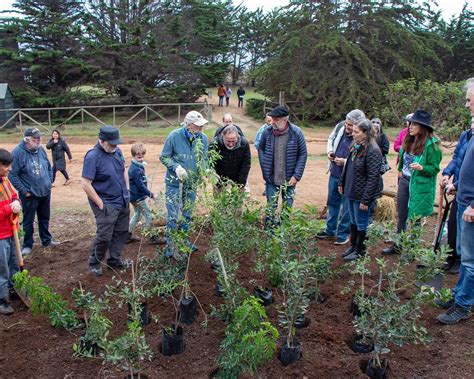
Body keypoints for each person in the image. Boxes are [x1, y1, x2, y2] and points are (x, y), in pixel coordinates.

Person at [436, 79, 474, 324]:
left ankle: (463, 305)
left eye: (470, 100)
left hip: (471, 206)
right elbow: (465, 166)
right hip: (463, 201)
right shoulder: (470, 135)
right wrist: (456, 183)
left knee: (471, 261)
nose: (467, 105)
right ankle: (458, 294)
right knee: (465, 256)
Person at [382, 110, 442, 255]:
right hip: (405, 181)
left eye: (414, 124)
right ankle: (398, 245)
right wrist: (401, 169)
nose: (410, 126)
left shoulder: (431, 146)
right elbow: (403, 159)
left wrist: (422, 168)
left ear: (422, 127)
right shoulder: (408, 139)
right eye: (410, 123)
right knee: (401, 215)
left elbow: (434, 169)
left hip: (419, 185)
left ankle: (412, 250)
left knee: (415, 217)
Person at [82, 125, 130, 277]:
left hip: (122, 199)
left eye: (117, 143)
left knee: (122, 231)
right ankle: (94, 262)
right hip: (106, 201)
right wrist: (100, 203)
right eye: (112, 144)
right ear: (102, 141)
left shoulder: (117, 151)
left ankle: (114, 260)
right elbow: (85, 183)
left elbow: (123, 171)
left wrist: (127, 191)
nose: (115, 146)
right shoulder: (92, 156)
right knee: (104, 235)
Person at [160, 110, 209, 258]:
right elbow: (164, 157)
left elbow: (204, 158)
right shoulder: (174, 136)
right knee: (174, 215)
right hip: (174, 183)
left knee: (187, 214)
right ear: (188, 125)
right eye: (197, 126)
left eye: (202, 126)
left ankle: (184, 241)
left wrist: (206, 168)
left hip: (191, 183)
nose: (201, 129)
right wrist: (176, 167)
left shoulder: (203, 138)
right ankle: (171, 246)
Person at [317, 109, 366, 245]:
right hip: (335, 172)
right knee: (332, 201)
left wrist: (345, 161)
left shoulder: (362, 135)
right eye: (347, 123)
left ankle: (343, 234)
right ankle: (330, 229)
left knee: (347, 206)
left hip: (350, 176)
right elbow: (331, 138)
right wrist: (330, 151)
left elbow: (363, 159)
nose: (347, 127)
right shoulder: (340, 127)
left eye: (350, 125)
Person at [9, 127, 58, 256]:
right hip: (29, 195)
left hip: (45, 191)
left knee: (44, 217)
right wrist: (24, 191)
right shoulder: (17, 153)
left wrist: (49, 181)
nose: (39, 140)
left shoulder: (41, 149)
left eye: (39, 138)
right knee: (28, 220)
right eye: (35, 139)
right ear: (27, 140)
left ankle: (46, 240)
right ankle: (27, 244)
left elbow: (48, 166)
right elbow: (12, 175)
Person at [338, 119, 383, 261]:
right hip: (351, 190)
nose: (353, 134)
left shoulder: (373, 151)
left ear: (366, 133)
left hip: (362, 194)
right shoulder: (356, 146)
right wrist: (342, 182)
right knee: (353, 220)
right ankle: (352, 246)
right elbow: (348, 167)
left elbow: (373, 177)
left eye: (357, 132)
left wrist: (366, 199)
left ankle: (360, 251)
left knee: (361, 222)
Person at [258, 105, 307, 228]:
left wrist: (297, 175)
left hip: (290, 178)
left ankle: (283, 230)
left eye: (276, 119)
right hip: (271, 177)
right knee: (271, 206)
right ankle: (269, 230)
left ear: (285, 119)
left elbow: (303, 154)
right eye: (272, 119)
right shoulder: (267, 132)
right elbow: (261, 149)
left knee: (287, 205)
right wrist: (265, 168)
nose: (273, 122)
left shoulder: (296, 132)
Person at [440, 108, 474, 274]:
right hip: (459, 189)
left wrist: (457, 184)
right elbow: (455, 159)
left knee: (463, 230)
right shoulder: (464, 136)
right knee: (452, 225)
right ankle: (451, 257)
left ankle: (460, 260)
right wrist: (447, 174)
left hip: (466, 190)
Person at [128, 143, 164, 245]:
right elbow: (140, 186)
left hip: (134, 196)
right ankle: (152, 237)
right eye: (139, 157)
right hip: (138, 197)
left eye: (142, 156)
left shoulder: (138, 166)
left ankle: (127, 235)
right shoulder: (135, 169)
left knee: (137, 215)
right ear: (133, 155)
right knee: (149, 216)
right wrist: (151, 195)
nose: (141, 158)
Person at [0, 149, 21, 315]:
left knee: (14, 264)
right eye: (6, 165)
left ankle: (15, 290)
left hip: (11, 231)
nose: (9, 169)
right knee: (2, 269)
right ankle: (2, 300)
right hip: (0, 235)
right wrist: (9, 208)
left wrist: (16, 202)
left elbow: (15, 194)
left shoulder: (5, 180)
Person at [255, 114, 272, 197]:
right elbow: (257, 143)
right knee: (266, 170)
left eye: (271, 120)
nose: (270, 122)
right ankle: (267, 188)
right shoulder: (262, 130)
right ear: (265, 120)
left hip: (272, 153)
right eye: (268, 120)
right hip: (264, 153)